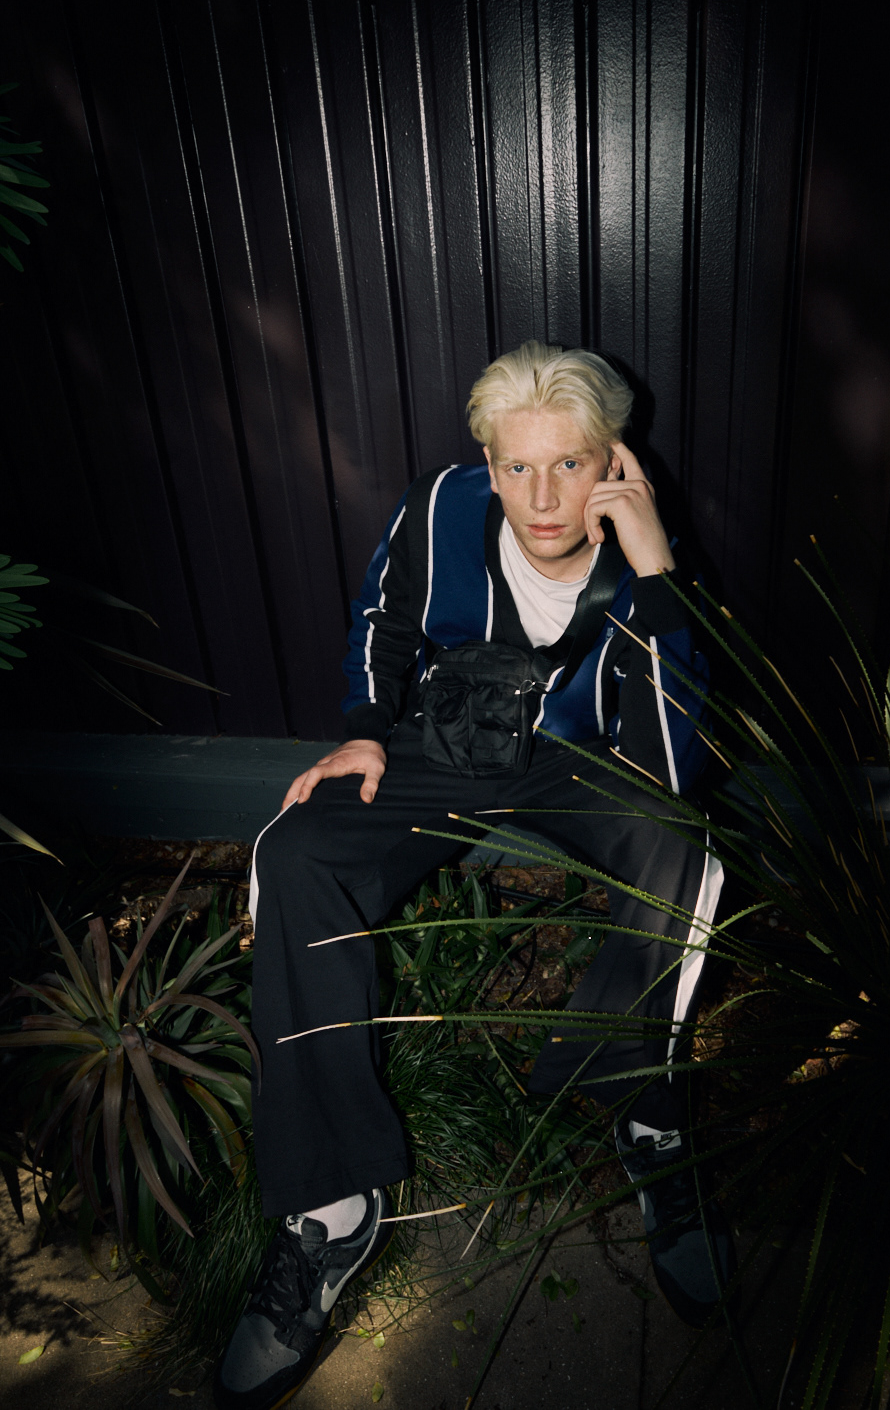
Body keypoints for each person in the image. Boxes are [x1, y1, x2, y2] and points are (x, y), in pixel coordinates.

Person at [214, 341, 732, 1410]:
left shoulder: (646, 546)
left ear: (613, 461)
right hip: (445, 743)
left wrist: (653, 578)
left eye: (570, 464)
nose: (542, 500)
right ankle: (335, 1204)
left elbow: (676, 764)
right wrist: (366, 727)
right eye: (516, 466)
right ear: (486, 462)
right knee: (294, 850)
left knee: (684, 853)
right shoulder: (439, 507)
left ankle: (643, 1110)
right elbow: (383, 621)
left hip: (584, 758)